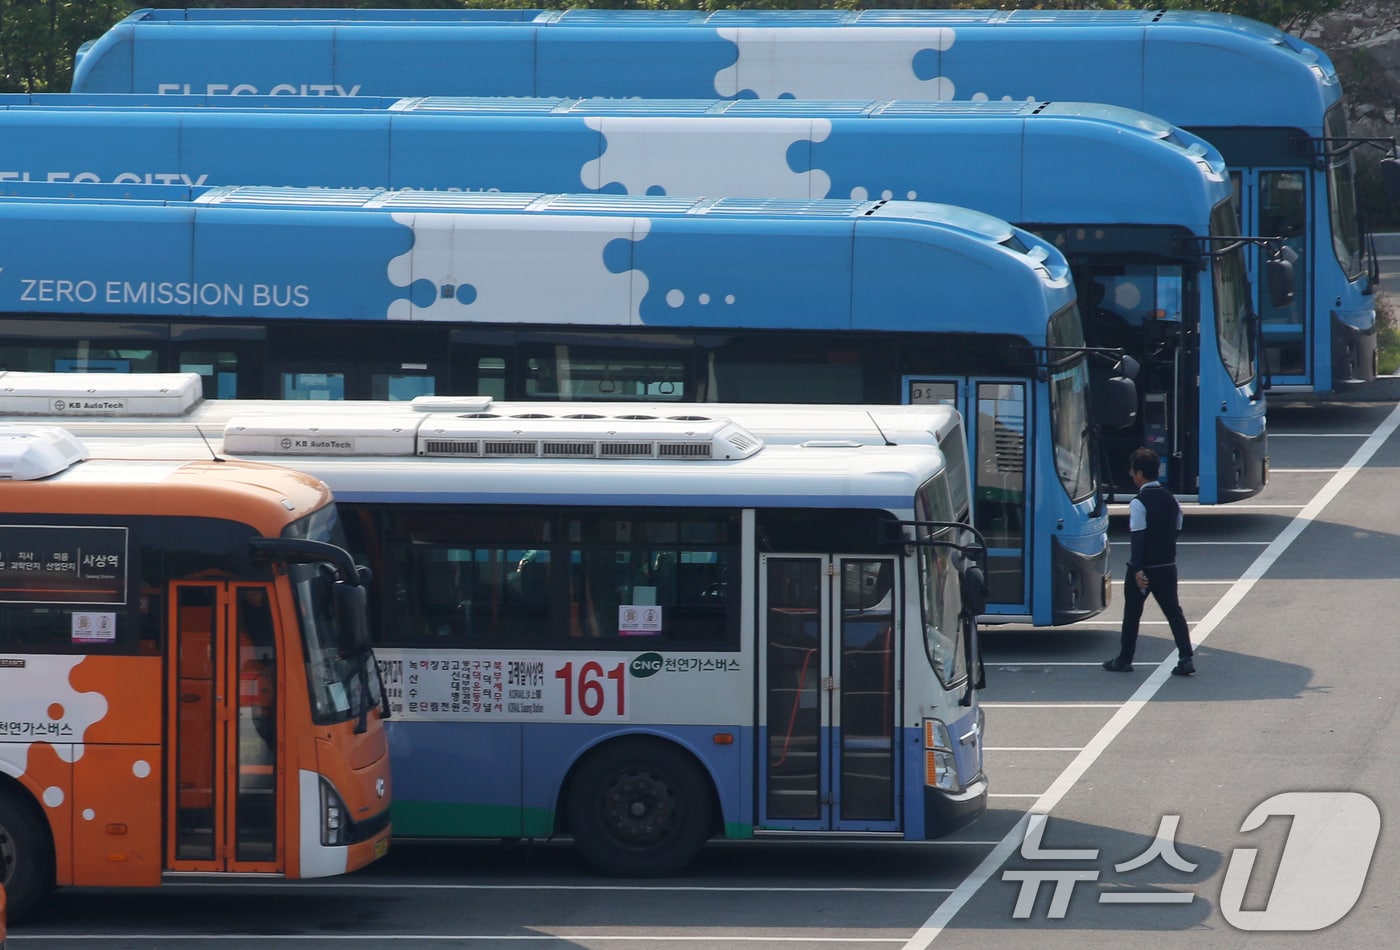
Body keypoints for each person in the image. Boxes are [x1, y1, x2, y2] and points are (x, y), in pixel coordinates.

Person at [1104, 447, 1195, 676]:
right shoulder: (1172, 500)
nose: (1131, 475)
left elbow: (1138, 537)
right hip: (1167, 566)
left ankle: (1125, 659)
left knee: (1132, 614)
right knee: (1174, 612)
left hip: (1145, 569)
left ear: (1139, 473)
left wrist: (1137, 568)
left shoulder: (1139, 503)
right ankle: (1186, 657)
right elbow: (1176, 529)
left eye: (1132, 471)